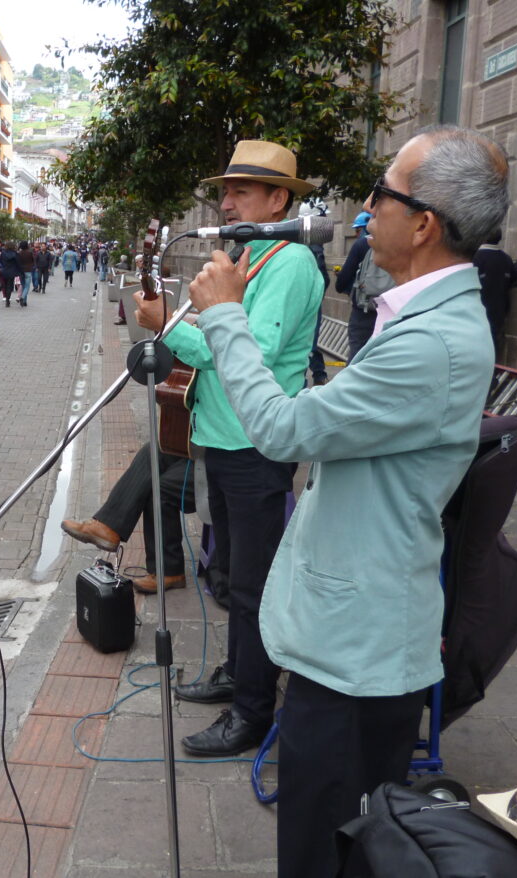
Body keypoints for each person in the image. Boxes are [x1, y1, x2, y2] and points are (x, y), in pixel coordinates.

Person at [185, 125, 508, 878]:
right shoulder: (421, 317)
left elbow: (283, 429)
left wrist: (225, 316)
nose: (365, 210)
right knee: (331, 835)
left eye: (382, 194)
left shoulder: (434, 341)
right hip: (354, 635)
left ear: (424, 223)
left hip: (356, 650)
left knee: (320, 847)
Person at [133, 140, 323, 760]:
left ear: (278, 200)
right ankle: (241, 676)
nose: (227, 200)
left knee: (254, 582)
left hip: (256, 447)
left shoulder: (290, 265)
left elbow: (247, 352)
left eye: (242, 190)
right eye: (227, 189)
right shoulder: (252, 258)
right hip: (227, 439)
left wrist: (171, 325)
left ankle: (252, 711)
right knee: (233, 575)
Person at [61, 444, 199, 593]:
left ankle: (169, 570)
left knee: (160, 488)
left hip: (220, 458)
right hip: (203, 447)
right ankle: (109, 527)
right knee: (153, 451)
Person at [334, 210, 393, 360]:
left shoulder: (361, 245)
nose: (355, 234)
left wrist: (345, 286)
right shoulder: (398, 243)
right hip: (390, 309)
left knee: (357, 356)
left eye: (358, 229)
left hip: (364, 310)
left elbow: (343, 279)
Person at [474, 229, 517, 356]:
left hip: (476, 310)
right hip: (499, 311)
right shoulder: (505, 258)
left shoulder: (475, 257)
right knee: (493, 346)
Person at [0, 240, 19, 307]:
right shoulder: (15, 253)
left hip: (4, 271)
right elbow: (17, 263)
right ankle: (8, 299)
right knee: (9, 286)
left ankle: (5, 296)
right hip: (11, 271)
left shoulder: (3, 253)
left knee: (5, 285)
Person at [16, 241, 35, 307]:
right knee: (27, 287)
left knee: (23, 286)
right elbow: (33, 261)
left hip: (21, 271)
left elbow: (17, 262)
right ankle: (22, 298)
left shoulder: (19, 253)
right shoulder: (30, 253)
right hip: (28, 271)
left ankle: (24, 302)